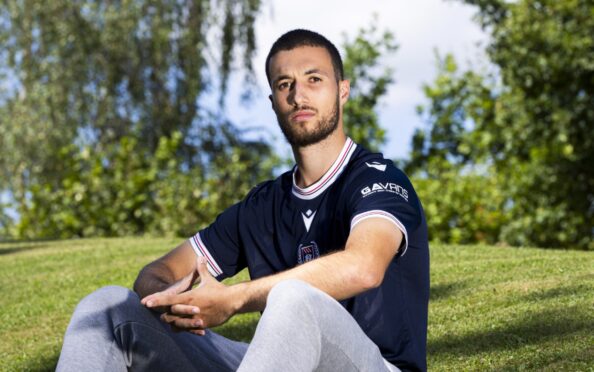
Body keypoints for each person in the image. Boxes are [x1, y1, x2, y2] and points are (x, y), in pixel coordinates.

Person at [56, 29, 429, 372]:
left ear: (342, 90)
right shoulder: (261, 206)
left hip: (374, 365)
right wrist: (178, 301)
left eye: (314, 79)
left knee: (294, 299)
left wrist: (234, 299)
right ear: (273, 101)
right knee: (108, 309)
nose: (299, 96)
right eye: (286, 84)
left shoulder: (377, 178)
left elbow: (364, 266)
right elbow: (158, 273)